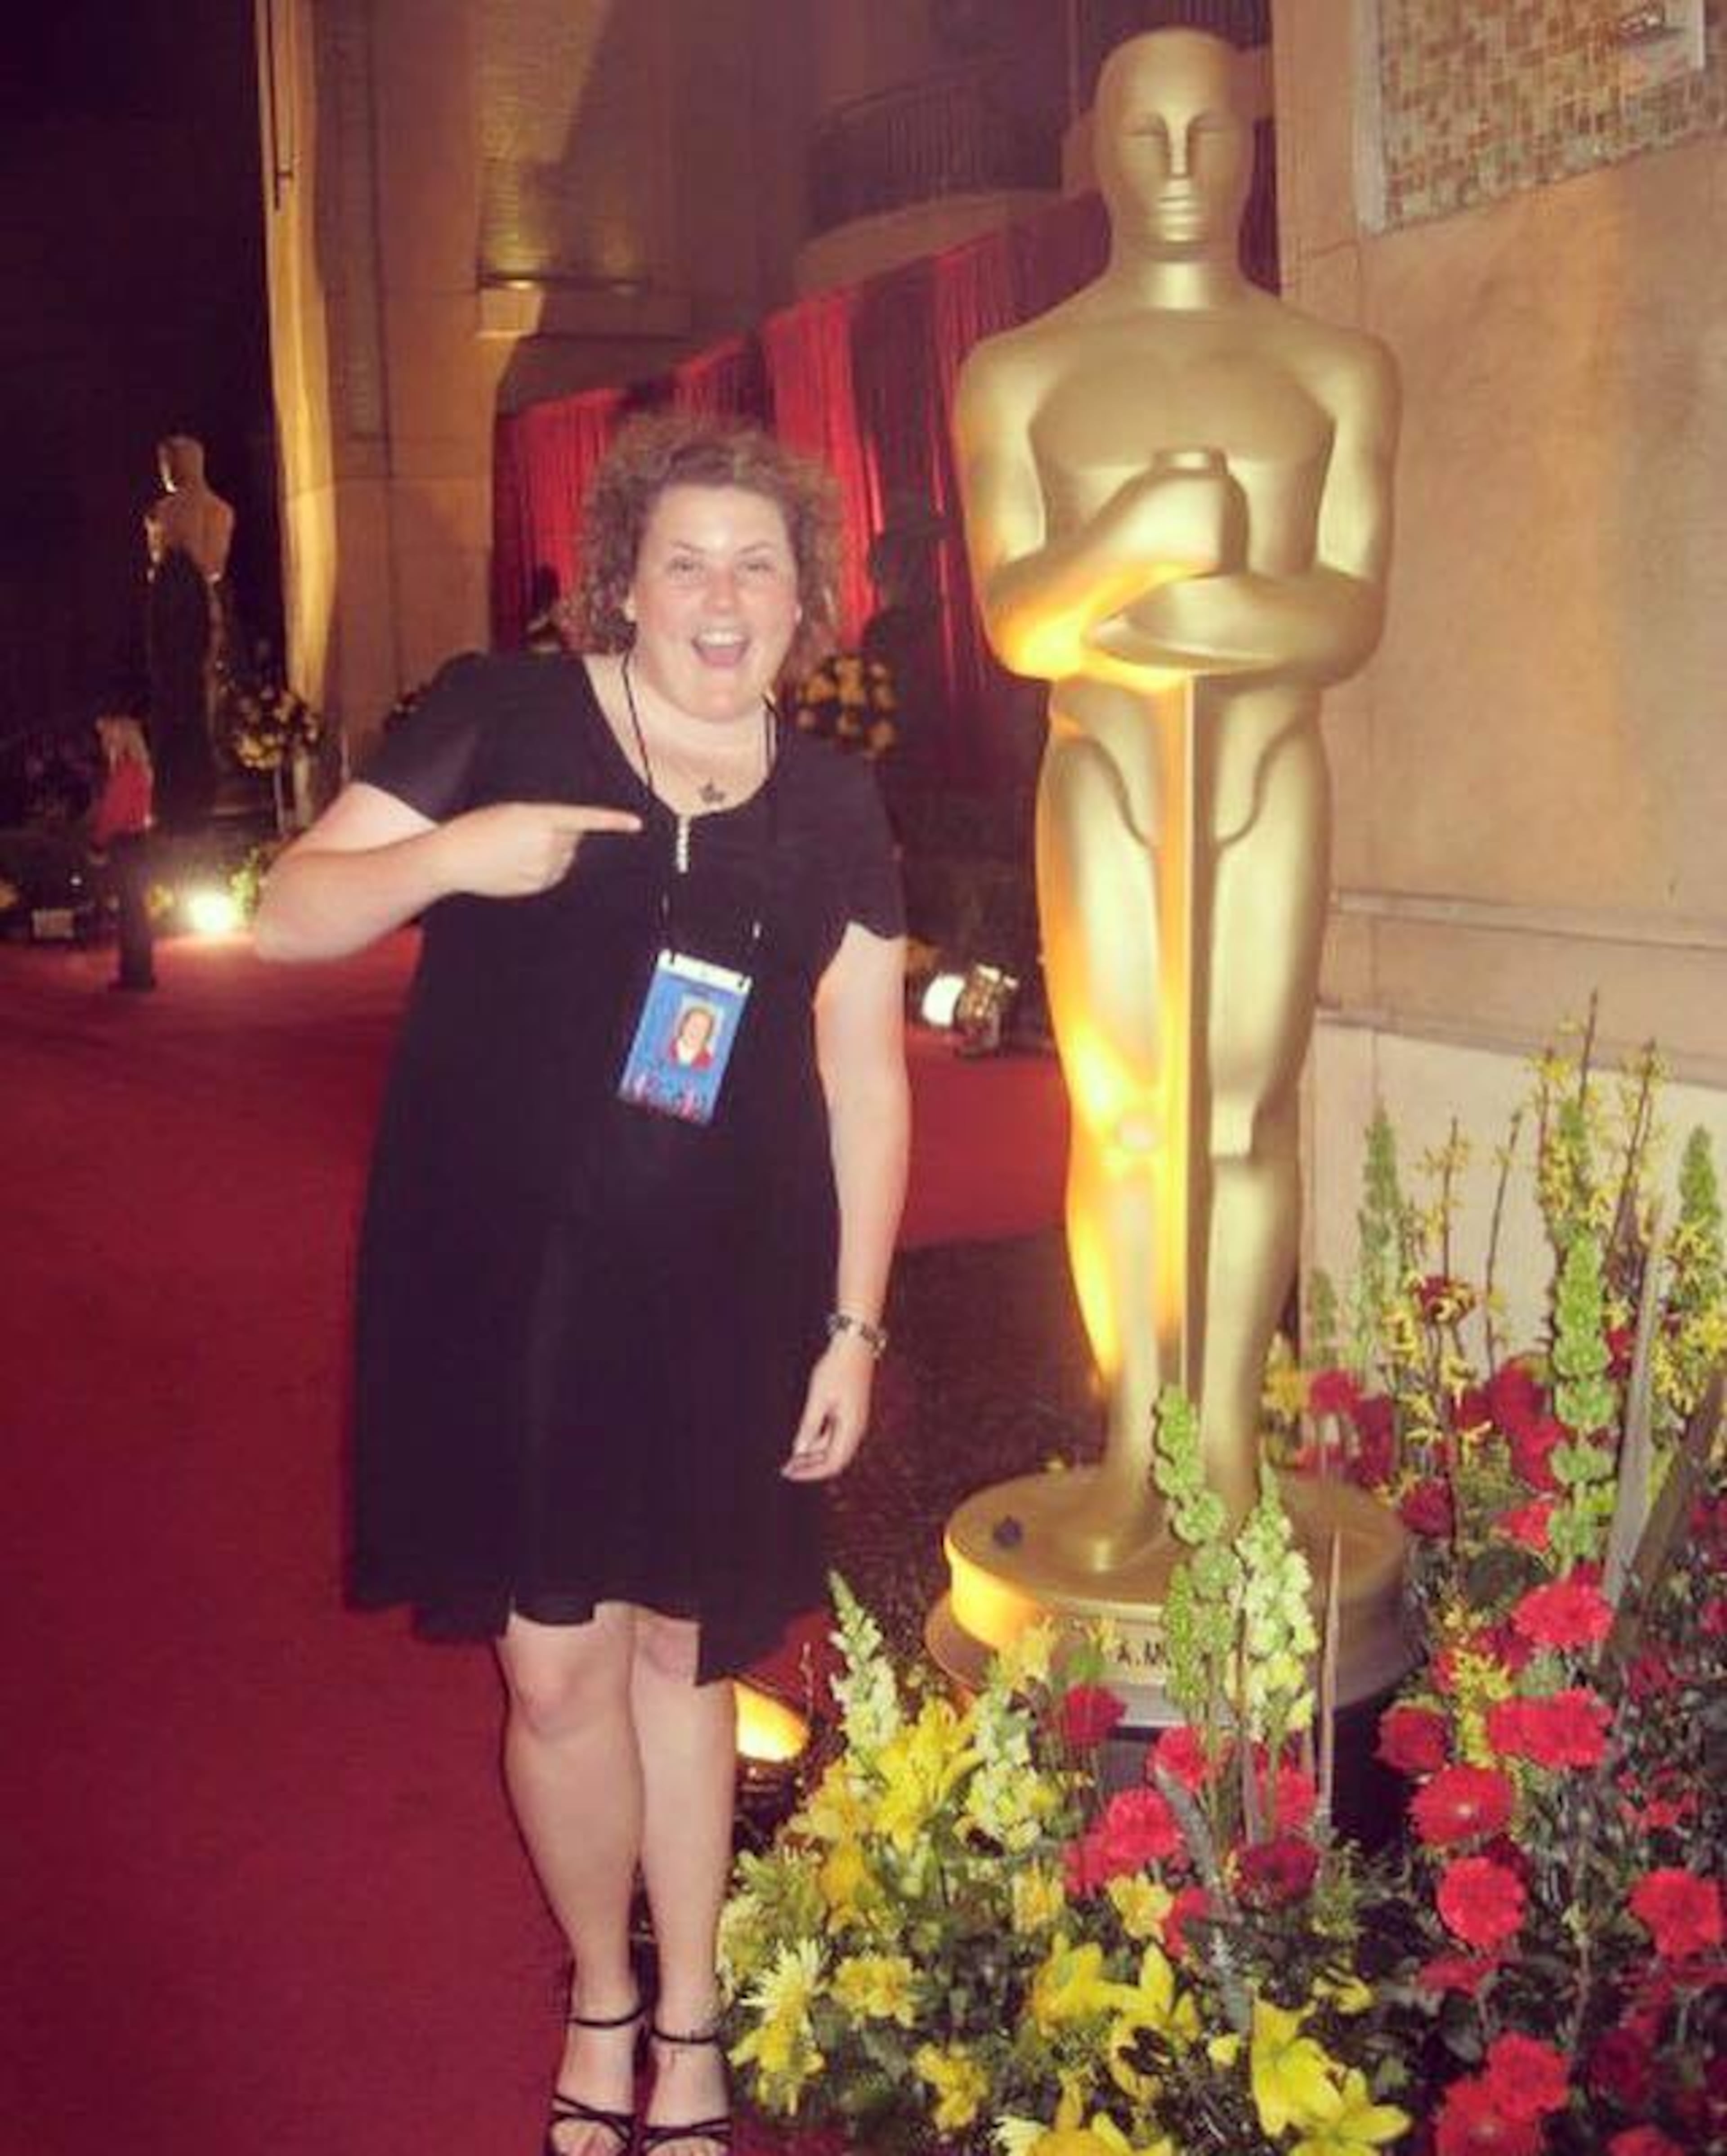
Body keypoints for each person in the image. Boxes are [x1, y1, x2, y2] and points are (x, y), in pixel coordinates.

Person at [254, 412, 910, 2156]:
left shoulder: (834, 800)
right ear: (619, 582)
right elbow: (286, 909)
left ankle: (685, 2009)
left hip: (727, 1290)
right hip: (503, 1277)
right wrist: (453, 855)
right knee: (554, 1667)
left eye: (755, 565)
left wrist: (853, 1320)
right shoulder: (510, 713)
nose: (720, 594)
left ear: (802, 604)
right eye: (683, 559)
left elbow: (866, 1074)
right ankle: (596, 1991)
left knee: (685, 1655)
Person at [953, 29, 1398, 1567]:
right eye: (1149, 137)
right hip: (1108, 775)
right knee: (1127, 1113)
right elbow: (1023, 624)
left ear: (1256, 148)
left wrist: (1166, 617)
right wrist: (1148, 524)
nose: (1187, 169)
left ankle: (1226, 1440)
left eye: (1216, 134)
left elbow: (1345, 613)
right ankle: (1134, 1437)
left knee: (1244, 1106)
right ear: (1097, 154)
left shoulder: (1333, 369)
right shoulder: (1018, 372)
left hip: (1265, 771)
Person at [143, 435, 235, 834]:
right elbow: (214, 566)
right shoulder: (220, 511)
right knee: (204, 688)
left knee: (186, 693)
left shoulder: (164, 511)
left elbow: (170, 567)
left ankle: (190, 778)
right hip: (201, 609)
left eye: (167, 462)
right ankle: (202, 771)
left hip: (178, 613)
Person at [88, 714, 156, 991]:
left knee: (131, 912)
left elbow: (113, 813)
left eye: (111, 737)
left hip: (126, 843)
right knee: (135, 910)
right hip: (136, 841)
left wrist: (98, 843)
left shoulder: (126, 771)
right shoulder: (138, 768)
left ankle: (135, 975)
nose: (106, 743)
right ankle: (139, 972)